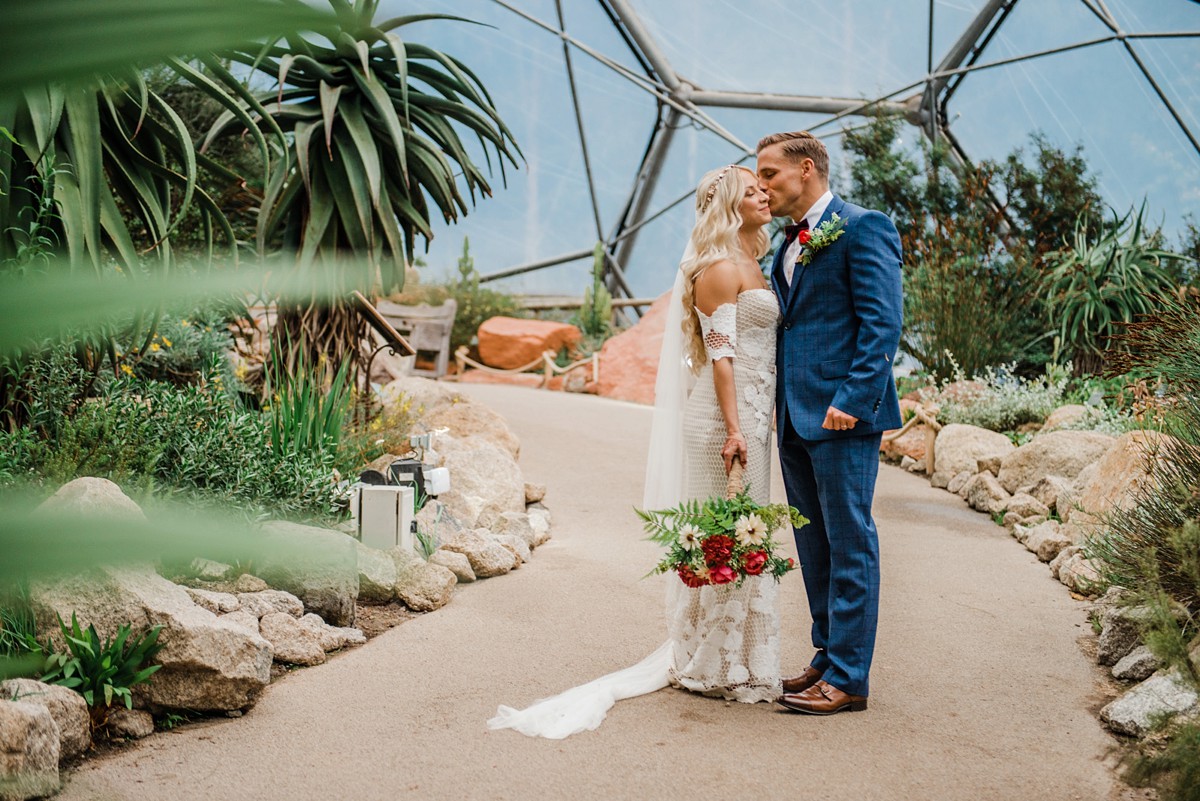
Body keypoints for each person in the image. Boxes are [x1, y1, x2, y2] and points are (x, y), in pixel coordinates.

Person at [486, 165, 779, 738]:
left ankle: (734, 655)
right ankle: (713, 660)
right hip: (727, 422)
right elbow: (720, 356)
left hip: (752, 418)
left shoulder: (752, 262)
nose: (764, 194)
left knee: (745, 531)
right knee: (727, 533)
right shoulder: (719, 270)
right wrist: (735, 427)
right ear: (726, 204)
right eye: (752, 190)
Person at [756, 131, 903, 715]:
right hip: (794, 418)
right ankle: (825, 655)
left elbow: (881, 324)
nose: (762, 186)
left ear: (807, 169)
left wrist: (853, 397)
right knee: (813, 546)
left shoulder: (864, 226)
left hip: (842, 417)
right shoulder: (785, 243)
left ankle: (849, 678)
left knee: (849, 543)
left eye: (770, 174)